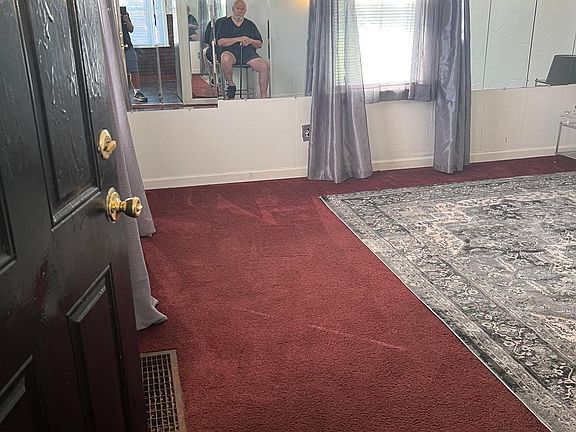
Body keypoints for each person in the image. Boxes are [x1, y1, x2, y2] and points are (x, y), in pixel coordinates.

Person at [216, 0, 269, 99]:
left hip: (248, 53)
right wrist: (238, 39)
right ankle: (231, 84)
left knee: (264, 66)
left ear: (245, 11)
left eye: (242, 9)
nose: (240, 11)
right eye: (238, 8)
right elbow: (220, 42)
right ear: (233, 9)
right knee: (225, 58)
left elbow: (259, 44)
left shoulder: (250, 24)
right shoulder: (224, 23)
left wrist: (251, 41)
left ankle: (263, 96)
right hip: (231, 52)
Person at [120, 7, 148, 103]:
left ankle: (137, 92)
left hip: (127, 45)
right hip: (113, 46)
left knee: (134, 69)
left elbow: (131, 29)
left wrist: (126, 20)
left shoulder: (124, 13)